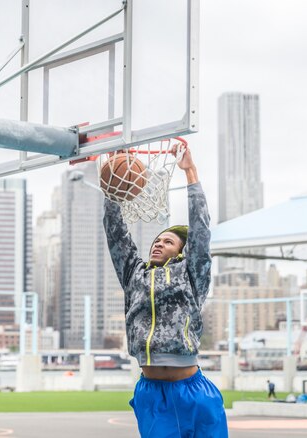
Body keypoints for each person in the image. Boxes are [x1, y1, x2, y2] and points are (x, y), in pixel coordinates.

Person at [103, 145, 227, 437]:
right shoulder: (135, 274)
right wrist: (111, 186)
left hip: (194, 392)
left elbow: (200, 231)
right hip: (152, 394)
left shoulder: (191, 273)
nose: (159, 243)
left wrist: (190, 172)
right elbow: (115, 232)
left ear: (182, 252)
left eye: (169, 241)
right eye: (157, 241)